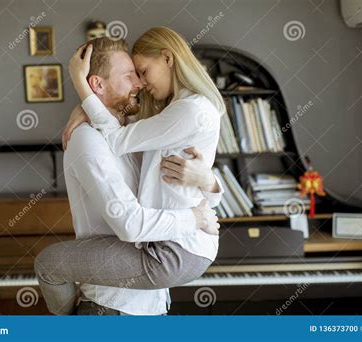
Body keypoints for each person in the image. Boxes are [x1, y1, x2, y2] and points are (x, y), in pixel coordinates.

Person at [34, 36, 223, 315]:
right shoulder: (88, 140)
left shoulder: (142, 131)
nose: (140, 84)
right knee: (48, 264)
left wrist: (209, 181)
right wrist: (195, 218)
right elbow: (131, 224)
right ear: (98, 84)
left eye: (141, 73)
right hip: (111, 307)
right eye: (130, 76)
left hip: (153, 303)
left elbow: (119, 133)